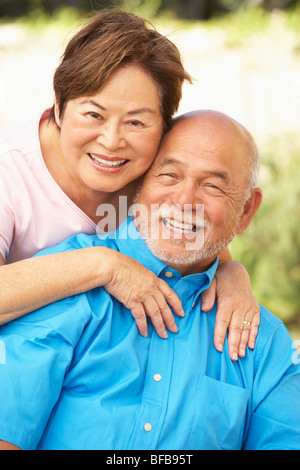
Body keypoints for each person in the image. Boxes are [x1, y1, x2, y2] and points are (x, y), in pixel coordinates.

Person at [0, 110, 299, 451]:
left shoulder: (263, 342)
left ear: (245, 212)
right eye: (169, 176)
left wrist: (234, 270)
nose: (185, 201)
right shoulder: (61, 284)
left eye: (213, 186)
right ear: (138, 184)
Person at [0, 9, 259, 358]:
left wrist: (232, 273)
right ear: (59, 107)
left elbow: (204, 241)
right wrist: (103, 266)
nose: (110, 141)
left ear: (164, 125)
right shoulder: (9, 170)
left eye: (136, 123)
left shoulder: (148, 171)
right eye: (94, 114)